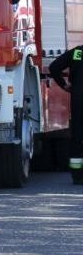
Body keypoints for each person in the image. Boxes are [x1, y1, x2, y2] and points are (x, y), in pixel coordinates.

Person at [49, 46, 83, 185]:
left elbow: (54, 67)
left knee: (78, 138)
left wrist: (65, 85)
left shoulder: (77, 52)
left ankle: (77, 176)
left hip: (79, 102)